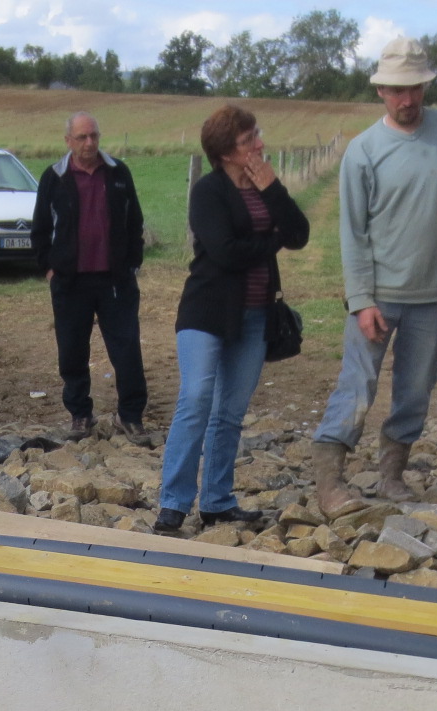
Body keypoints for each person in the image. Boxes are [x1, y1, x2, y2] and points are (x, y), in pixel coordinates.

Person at [311, 37, 437, 515]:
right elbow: (353, 233)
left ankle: (391, 474)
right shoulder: (363, 151)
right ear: (381, 90)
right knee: (357, 384)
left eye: (415, 90)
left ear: (426, 87)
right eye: (396, 91)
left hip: (436, 292)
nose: (407, 101)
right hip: (379, 296)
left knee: (415, 388)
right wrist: (361, 299)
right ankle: (330, 481)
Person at [155, 106, 310, 534]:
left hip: (257, 315)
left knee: (229, 413)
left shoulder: (265, 186)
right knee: (196, 400)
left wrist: (274, 190)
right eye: (248, 141)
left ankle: (218, 500)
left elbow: (299, 234)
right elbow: (224, 252)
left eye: (257, 136)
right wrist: (272, 238)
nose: (259, 145)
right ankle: (173, 502)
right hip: (206, 312)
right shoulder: (208, 192)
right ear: (225, 152)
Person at [31, 111, 149, 436]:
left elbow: (135, 221)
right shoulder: (53, 178)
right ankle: (80, 415)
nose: (89, 143)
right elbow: (40, 228)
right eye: (82, 137)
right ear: (68, 141)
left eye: (94, 135)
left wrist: (132, 263)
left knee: (126, 349)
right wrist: (50, 268)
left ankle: (131, 415)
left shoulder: (118, 173)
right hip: (70, 282)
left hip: (116, 280)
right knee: (72, 350)